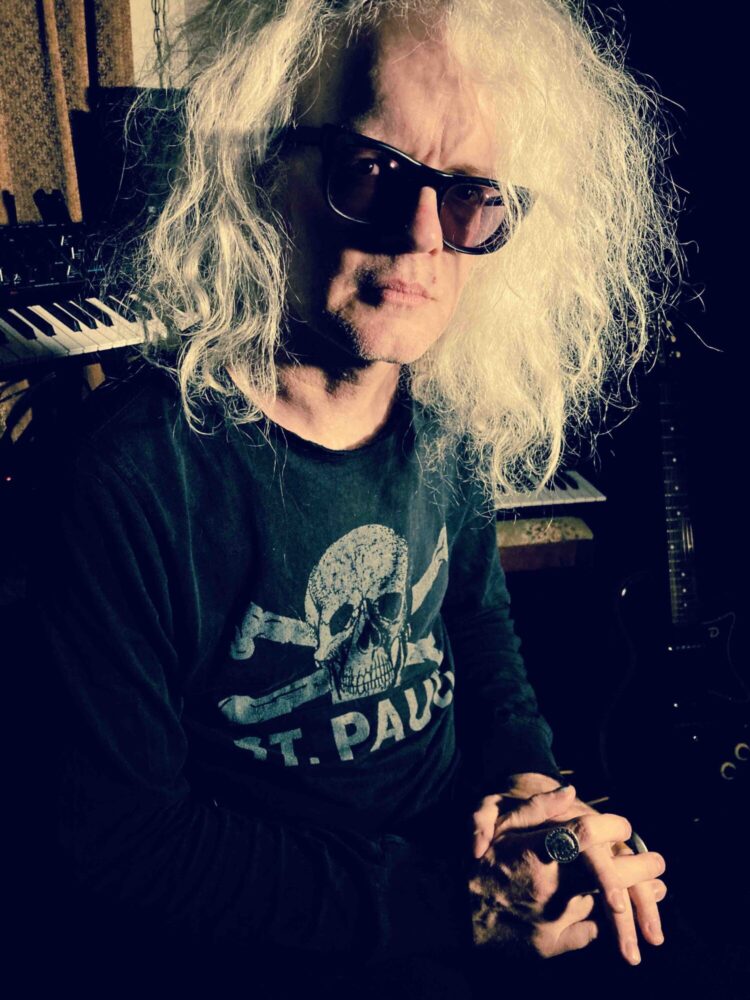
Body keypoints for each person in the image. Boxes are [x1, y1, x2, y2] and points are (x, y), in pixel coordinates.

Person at [26, 0, 679, 995]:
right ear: (265, 171)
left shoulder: (445, 419)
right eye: (371, 170)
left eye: (467, 196)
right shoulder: (124, 479)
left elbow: (476, 632)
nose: (419, 235)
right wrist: (454, 904)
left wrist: (532, 790)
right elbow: (123, 843)